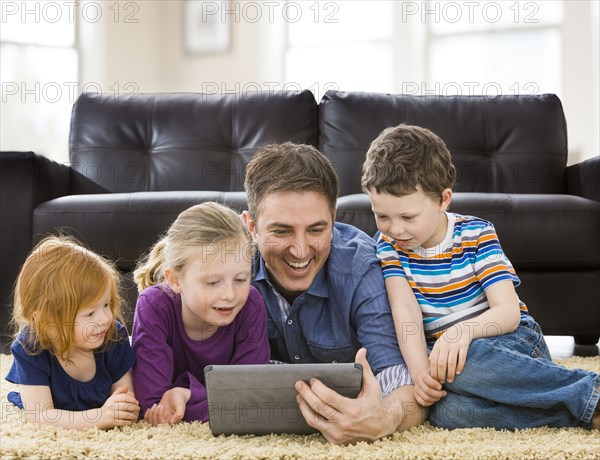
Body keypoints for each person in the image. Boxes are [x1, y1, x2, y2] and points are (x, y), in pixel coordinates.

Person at [361, 123, 600, 430]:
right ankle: (579, 413)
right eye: (382, 216)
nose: (395, 229)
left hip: (508, 341)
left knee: (463, 364)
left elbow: (508, 313)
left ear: (443, 199)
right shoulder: (387, 247)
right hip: (446, 358)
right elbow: (405, 311)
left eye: (408, 217)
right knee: (445, 412)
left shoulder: (476, 234)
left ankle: (589, 391)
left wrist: (461, 333)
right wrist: (421, 374)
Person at [241, 142, 427, 444]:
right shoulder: (230, 271)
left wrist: (385, 419)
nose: (300, 250)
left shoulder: (362, 268)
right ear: (251, 225)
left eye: (316, 230)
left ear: (334, 217)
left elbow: (405, 385)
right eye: (282, 231)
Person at [132, 202, 270, 425]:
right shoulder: (153, 306)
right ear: (175, 280)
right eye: (213, 282)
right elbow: (152, 405)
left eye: (241, 279)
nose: (229, 295)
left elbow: (250, 397)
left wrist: (187, 394)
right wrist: (225, 403)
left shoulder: (251, 304)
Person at [5, 236, 139, 429]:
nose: (105, 318)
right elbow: (41, 416)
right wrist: (99, 417)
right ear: (46, 321)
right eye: (90, 313)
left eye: (106, 304)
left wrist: (123, 408)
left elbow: (125, 397)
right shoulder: (30, 347)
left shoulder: (112, 336)